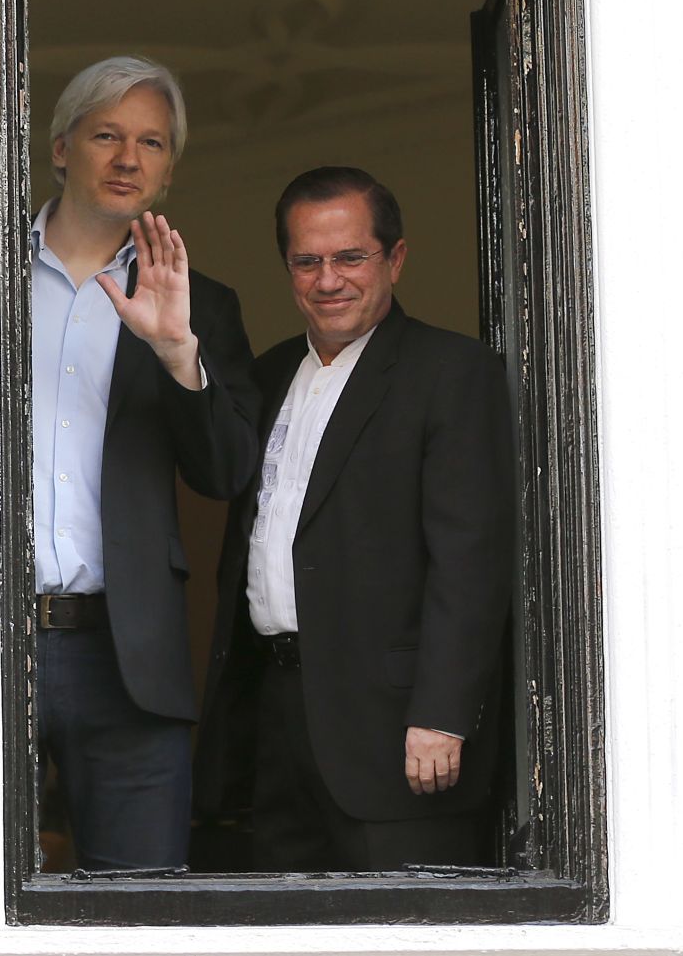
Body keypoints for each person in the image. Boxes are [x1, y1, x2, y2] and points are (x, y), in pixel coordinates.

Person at [194, 166, 515, 872]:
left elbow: (471, 559)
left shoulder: (453, 372)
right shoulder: (271, 371)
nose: (328, 278)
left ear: (394, 258)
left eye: (350, 257)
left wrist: (443, 713)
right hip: (276, 718)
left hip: (399, 731)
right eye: (307, 261)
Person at [32, 56, 259, 870]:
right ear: (62, 149)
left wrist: (176, 353)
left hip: (125, 653)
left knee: (140, 908)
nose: (130, 158)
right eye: (107, 135)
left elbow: (227, 472)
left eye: (152, 142)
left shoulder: (203, 304)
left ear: (168, 168)